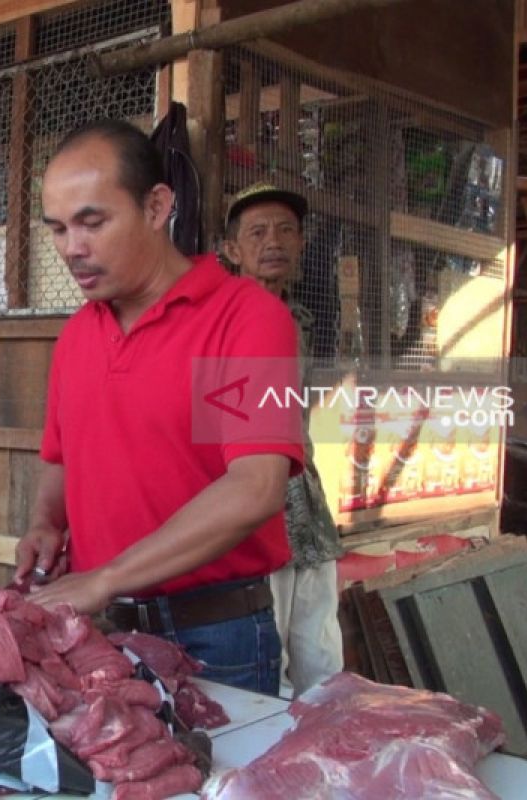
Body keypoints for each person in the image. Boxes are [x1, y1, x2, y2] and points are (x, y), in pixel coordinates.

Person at [13, 119, 304, 696]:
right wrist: (46, 523)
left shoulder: (249, 318)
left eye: (93, 222)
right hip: (100, 630)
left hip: (216, 636)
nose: (73, 247)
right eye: (58, 229)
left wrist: (107, 577)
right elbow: (62, 458)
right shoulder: (77, 336)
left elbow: (255, 487)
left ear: (156, 206)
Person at [222, 181, 345, 696]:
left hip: (306, 503)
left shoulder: (304, 320)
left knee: (319, 644)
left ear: (302, 244)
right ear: (232, 249)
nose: (273, 241)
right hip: (252, 500)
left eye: (285, 230)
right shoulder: (219, 321)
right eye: (257, 232)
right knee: (264, 647)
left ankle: (327, 746)